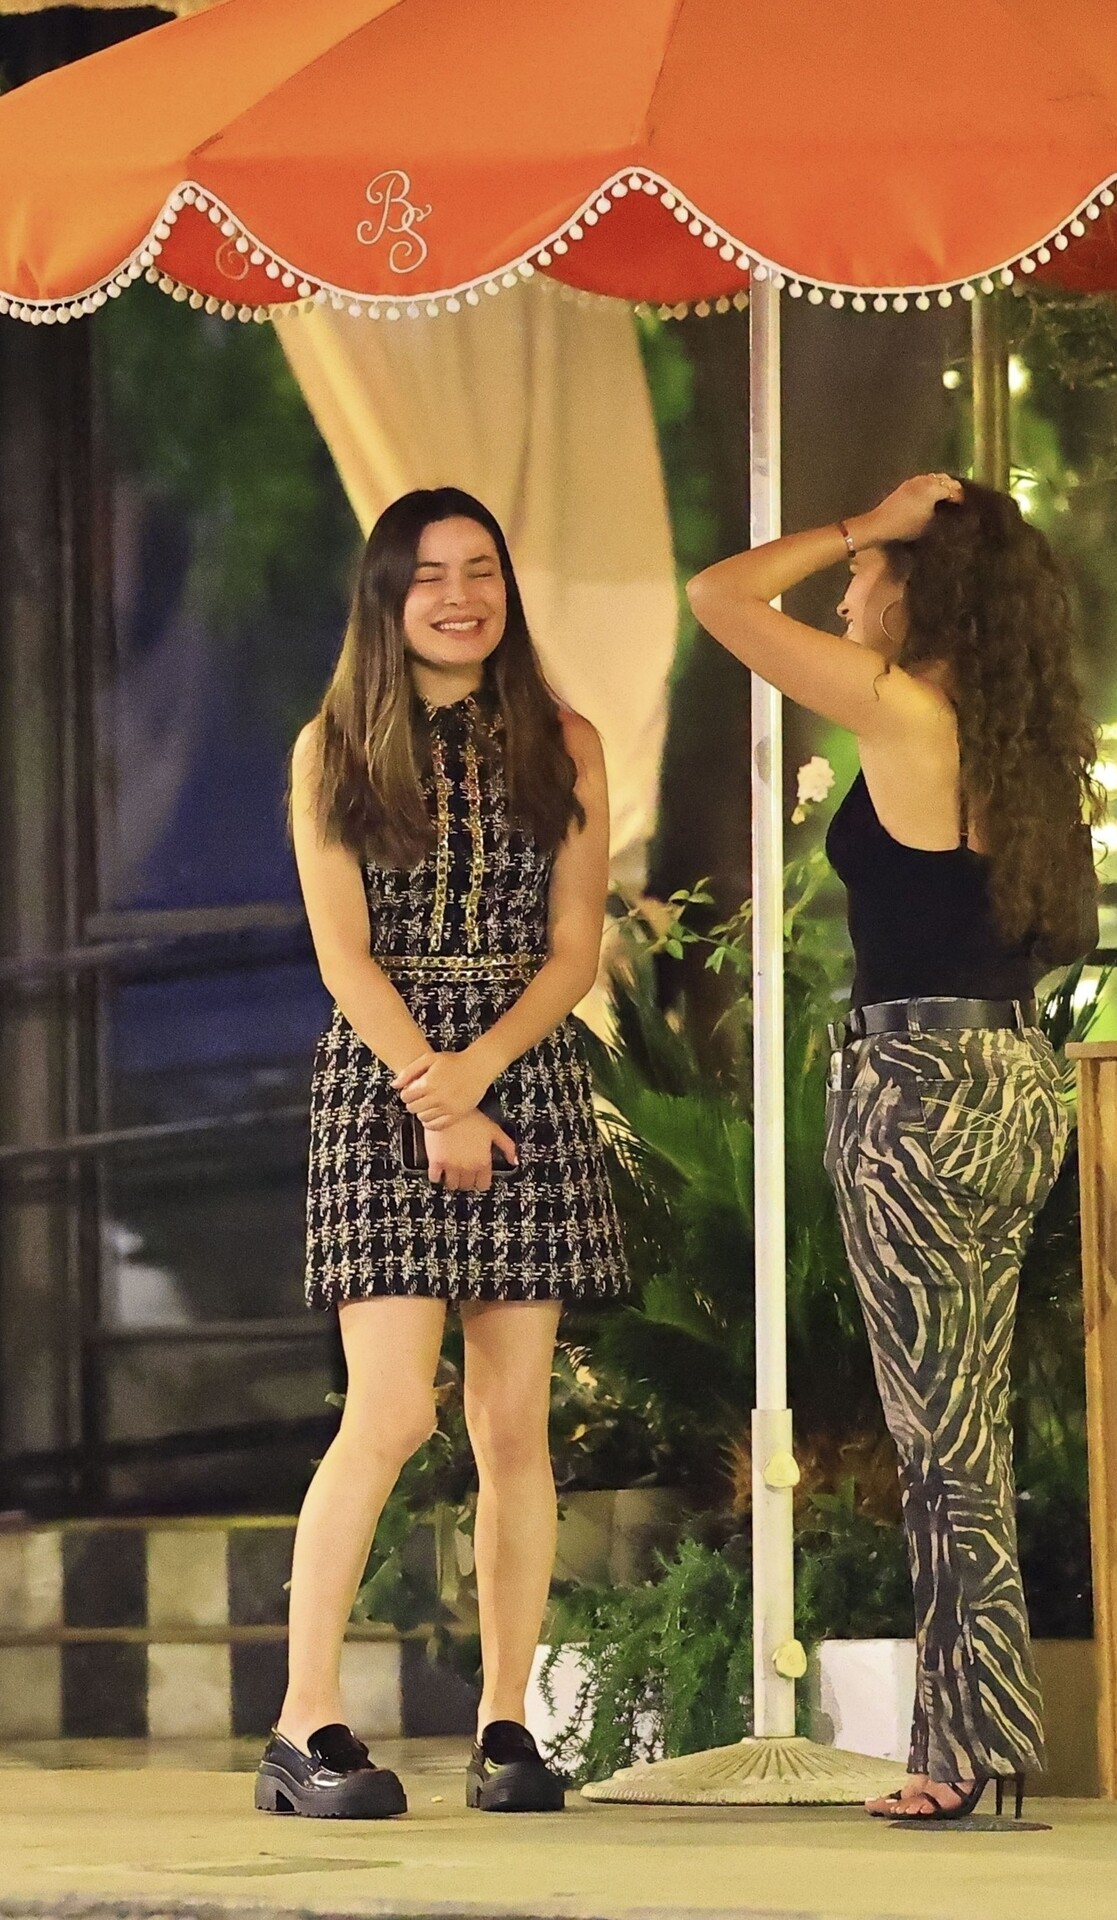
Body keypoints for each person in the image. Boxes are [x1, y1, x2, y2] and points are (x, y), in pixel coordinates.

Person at [687, 474, 1100, 1824]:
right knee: (967, 1429)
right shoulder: (1020, 742)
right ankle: (973, 1736)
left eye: (866, 574)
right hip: (1017, 1081)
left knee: (941, 1441)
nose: (848, 591)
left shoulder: (903, 709)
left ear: (923, 587)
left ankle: (967, 1749)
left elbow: (718, 597)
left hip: (918, 1087)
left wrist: (864, 519)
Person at [254, 487, 628, 1819]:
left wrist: (481, 1073)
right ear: (386, 596)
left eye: (481, 570)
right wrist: (435, 1091)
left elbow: (573, 950)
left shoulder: (566, 742)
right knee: (394, 1411)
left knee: (515, 1421)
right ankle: (302, 1723)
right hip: (384, 1075)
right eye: (429, 575)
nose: (460, 596)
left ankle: (507, 1723)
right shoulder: (334, 749)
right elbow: (342, 955)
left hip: (522, 1067)